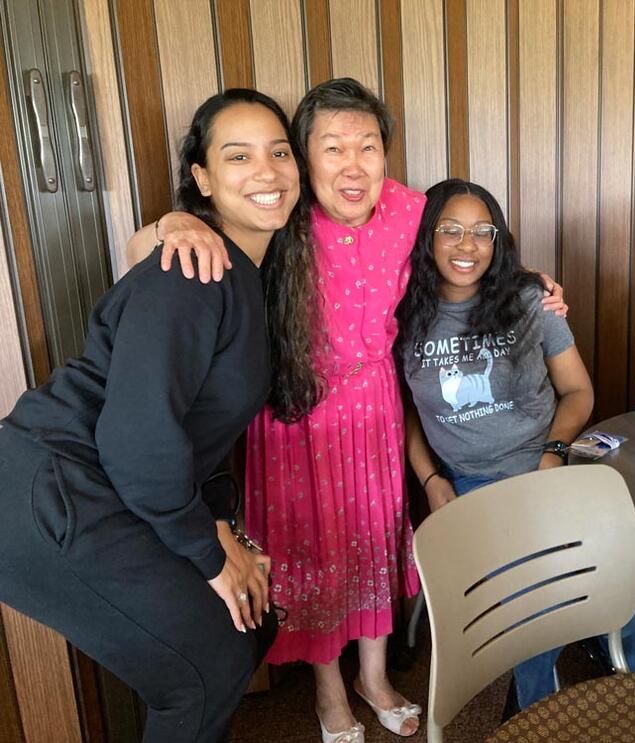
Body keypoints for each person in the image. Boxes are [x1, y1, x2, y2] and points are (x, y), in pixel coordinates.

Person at [127, 79, 565, 742]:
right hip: (292, 416)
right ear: (305, 160)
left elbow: (469, 247)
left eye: (367, 147)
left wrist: (535, 284)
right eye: (332, 148)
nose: (352, 165)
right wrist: (175, 222)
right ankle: (329, 689)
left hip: (375, 412)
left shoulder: (409, 210)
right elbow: (140, 253)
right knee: (308, 554)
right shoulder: (278, 214)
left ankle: (374, 677)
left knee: (373, 544)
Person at [0, 88, 302, 742]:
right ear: (203, 178)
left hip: (107, 484)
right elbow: (137, 440)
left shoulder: (241, 273)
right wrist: (210, 553)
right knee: (207, 666)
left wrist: (219, 527)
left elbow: (199, 431)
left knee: (244, 626)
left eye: (279, 153)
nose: (267, 171)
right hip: (52, 491)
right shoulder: (192, 270)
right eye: (239, 155)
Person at [398, 178, 635, 711]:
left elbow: (578, 391)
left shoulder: (528, 300)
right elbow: (406, 415)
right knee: (530, 595)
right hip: (474, 480)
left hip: (551, 463)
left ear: (498, 241)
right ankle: (533, 707)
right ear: (426, 237)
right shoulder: (401, 316)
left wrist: (554, 453)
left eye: (482, 232)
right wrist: (431, 480)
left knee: (634, 571)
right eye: (450, 230)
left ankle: (626, 669)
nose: (467, 245)